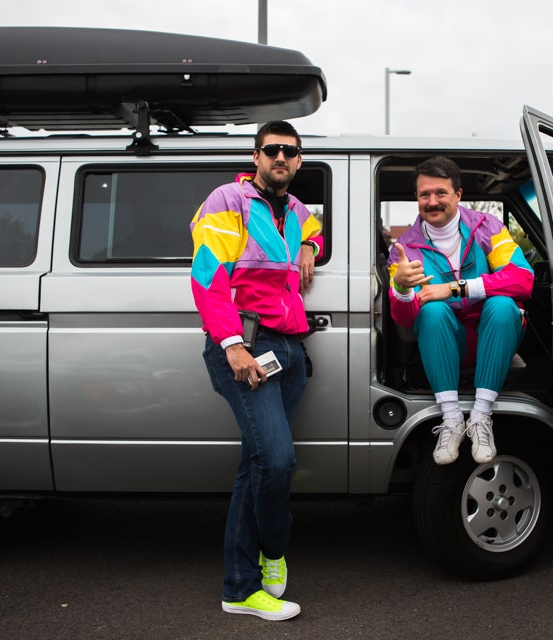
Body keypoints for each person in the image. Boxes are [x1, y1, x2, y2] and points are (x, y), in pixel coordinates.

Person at [190, 121, 322, 622]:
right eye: (272, 151)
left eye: (289, 151)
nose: (281, 158)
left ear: (299, 160)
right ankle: (250, 578)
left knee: (259, 463)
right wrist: (231, 345)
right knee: (279, 460)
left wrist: (311, 246)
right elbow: (208, 277)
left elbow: (313, 231)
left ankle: (254, 569)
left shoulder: (298, 212)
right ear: (257, 156)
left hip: (288, 352)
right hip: (246, 347)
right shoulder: (229, 200)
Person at [388, 157, 533, 465]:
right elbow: (405, 320)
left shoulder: (488, 227)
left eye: (440, 193)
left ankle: (481, 417)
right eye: (424, 194)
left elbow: (523, 278)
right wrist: (400, 288)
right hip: (445, 344)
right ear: (416, 198)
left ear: (458, 194)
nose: (432, 201)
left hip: (494, 337)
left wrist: (457, 287)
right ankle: (451, 419)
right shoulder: (403, 248)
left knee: (504, 304)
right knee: (431, 312)